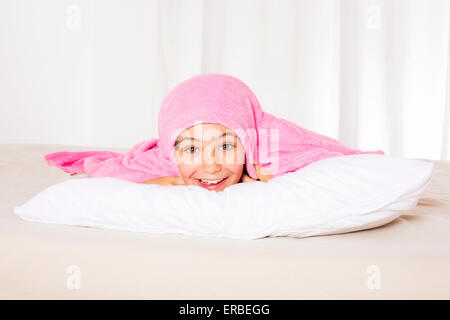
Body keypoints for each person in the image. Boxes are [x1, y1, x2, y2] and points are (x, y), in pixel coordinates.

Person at [44, 74, 385, 192]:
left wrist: (265, 179)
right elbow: (109, 179)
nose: (210, 167)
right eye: (191, 150)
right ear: (170, 152)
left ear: (248, 142)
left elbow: (340, 167)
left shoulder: (272, 153)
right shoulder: (161, 164)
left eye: (225, 147)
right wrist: (171, 181)